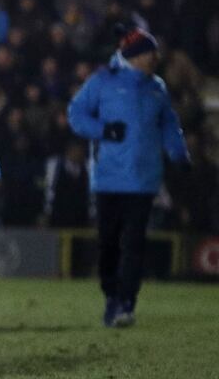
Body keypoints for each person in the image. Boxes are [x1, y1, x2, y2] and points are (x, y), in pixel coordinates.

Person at [67, 25, 190, 328]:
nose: (156, 58)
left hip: (144, 180)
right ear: (135, 56)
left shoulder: (157, 87)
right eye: (150, 52)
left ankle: (126, 302)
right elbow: (76, 114)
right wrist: (103, 130)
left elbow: (168, 125)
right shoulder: (103, 82)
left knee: (135, 243)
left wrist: (179, 154)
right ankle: (112, 295)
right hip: (108, 178)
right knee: (108, 243)